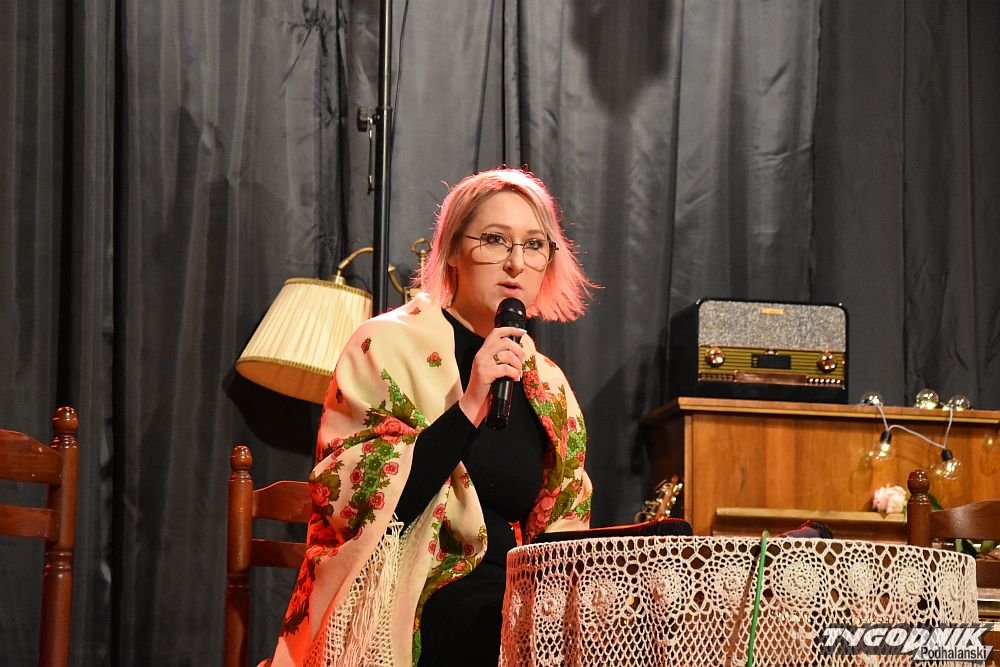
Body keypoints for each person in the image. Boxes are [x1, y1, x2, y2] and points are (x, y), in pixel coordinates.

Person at [269, 168, 595, 666]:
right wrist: (468, 405)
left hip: (511, 613)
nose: (516, 262)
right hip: (408, 602)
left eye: (534, 245)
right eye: (495, 240)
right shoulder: (386, 346)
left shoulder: (547, 386)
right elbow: (360, 507)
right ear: (453, 251)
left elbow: (564, 533)